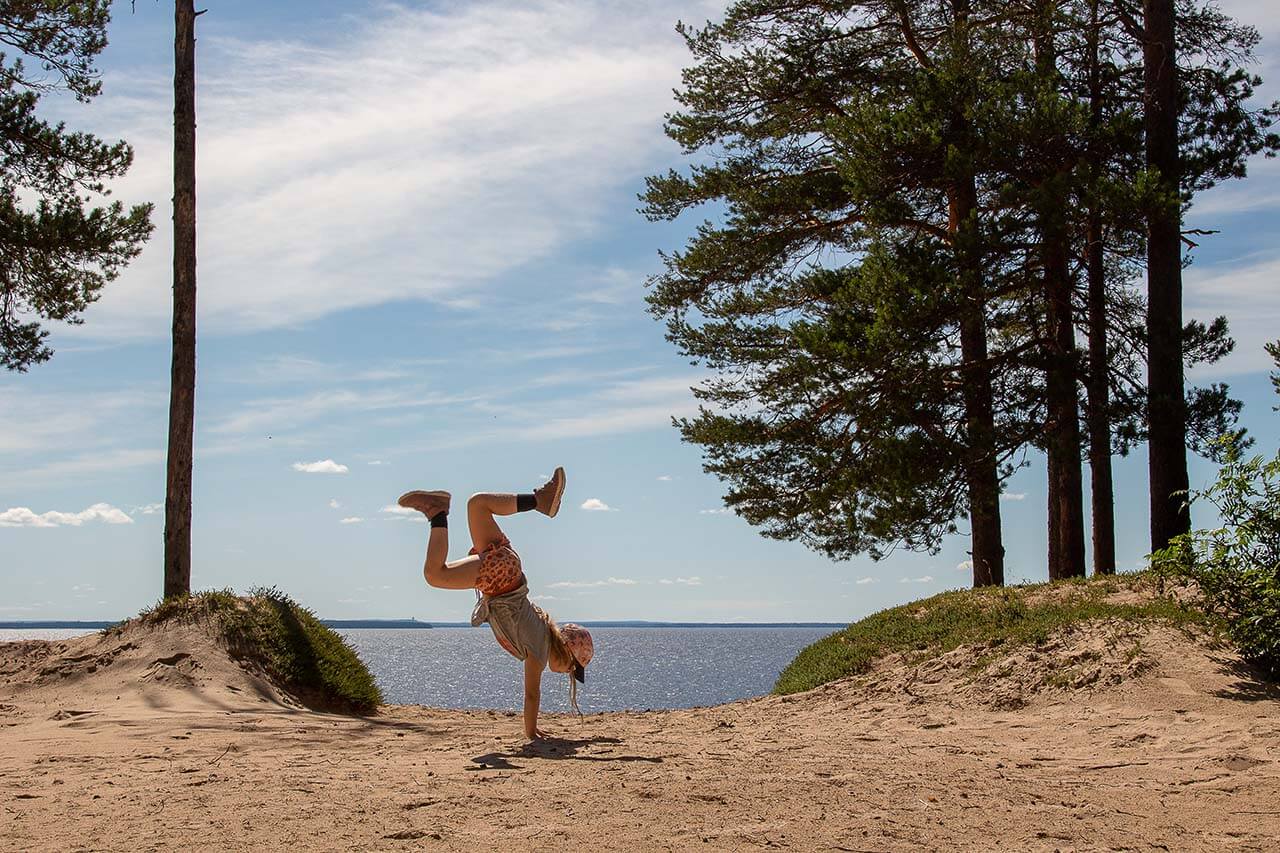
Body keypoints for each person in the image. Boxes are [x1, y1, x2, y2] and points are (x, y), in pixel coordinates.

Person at [398, 467, 594, 739]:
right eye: (572, 667)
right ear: (566, 651)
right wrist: (531, 732)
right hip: (499, 579)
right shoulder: (539, 650)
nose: (568, 672)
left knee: (478, 504)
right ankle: (437, 512)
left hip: (508, 566)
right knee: (435, 574)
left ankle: (539, 501)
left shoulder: (542, 628)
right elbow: (532, 694)